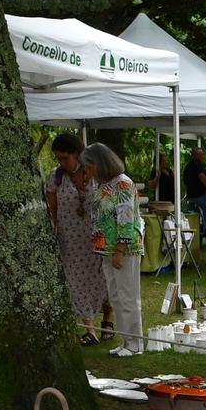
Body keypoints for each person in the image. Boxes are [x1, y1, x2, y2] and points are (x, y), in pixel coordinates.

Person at [44, 132, 110, 346]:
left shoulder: (93, 173)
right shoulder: (56, 177)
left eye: (65, 158)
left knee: (104, 278)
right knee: (75, 281)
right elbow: (52, 208)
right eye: (59, 159)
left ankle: (108, 322)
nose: (62, 163)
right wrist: (54, 229)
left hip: (96, 235)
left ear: (78, 154)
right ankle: (89, 329)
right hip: (70, 238)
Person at [83, 143, 143, 357]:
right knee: (116, 296)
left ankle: (135, 343)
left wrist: (120, 248)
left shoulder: (123, 184)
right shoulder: (101, 185)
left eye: (89, 167)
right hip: (105, 248)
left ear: (99, 164)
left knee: (128, 296)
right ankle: (125, 340)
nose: (87, 172)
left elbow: (126, 219)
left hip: (124, 248)